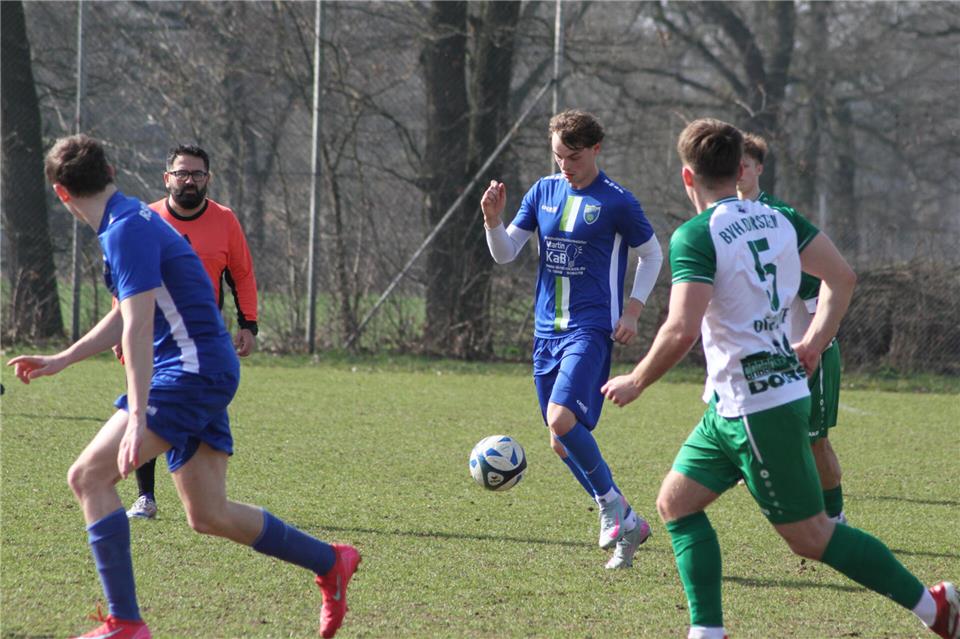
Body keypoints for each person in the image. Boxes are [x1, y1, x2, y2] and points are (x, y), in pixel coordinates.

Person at [601, 118, 957, 639]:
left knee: (812, 537)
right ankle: (706, 633)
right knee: (676, 505)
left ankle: (936, 608)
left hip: (756, 406)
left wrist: (637, 379)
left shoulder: (695, 236)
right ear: (740, 167)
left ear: (687, 177)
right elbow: (843, 277)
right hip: (732, 404)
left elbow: (681, 330)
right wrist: (813, 341)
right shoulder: (779, 219)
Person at [8, 135, 359, 639]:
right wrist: (63, 359)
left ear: (61, 194)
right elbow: (127, 316)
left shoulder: (126, 230)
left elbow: (138, 328)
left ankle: (125, 623)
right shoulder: (130, 219)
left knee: (88, 476)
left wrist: (139, 415)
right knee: (208, 514)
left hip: (191, 372)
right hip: (205, 366)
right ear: (111, 169)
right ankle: (330, 561)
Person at [480, 109, 663, 570]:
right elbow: (506, 254)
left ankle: (609, 507)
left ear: (595, 149)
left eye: (574, 156)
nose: (565, 164)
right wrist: (492, 221)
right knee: (560, 441)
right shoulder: (543, 191)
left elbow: (652, 254)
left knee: (561, 418)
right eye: (558, 155)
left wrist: (634, 310)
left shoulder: (618, 201)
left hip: (590, 328)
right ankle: (629, 520)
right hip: (546, 332)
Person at [125, 144, 259, 520]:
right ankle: (145, 497)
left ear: (208, 179)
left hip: (204, 341)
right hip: (153, 335)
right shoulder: (146, 220)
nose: (189, 180)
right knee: (146, 408)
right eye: (181, 173)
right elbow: (126, 284)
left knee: (203, 414)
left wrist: (248, 323)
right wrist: (123, 334)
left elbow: (242, 275)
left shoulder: (225, 220)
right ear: (167, 177)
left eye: (197, 174)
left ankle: (208, 494)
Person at [737, 133, 846, 523]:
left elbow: (823, 291)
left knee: (815, 445)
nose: (737, 172)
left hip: (807, 353)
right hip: (761, 357)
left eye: (744, 165)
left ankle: (835, 522)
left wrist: (815, 344)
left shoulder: (777, 221)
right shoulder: (723, 221)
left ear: (759, 168)